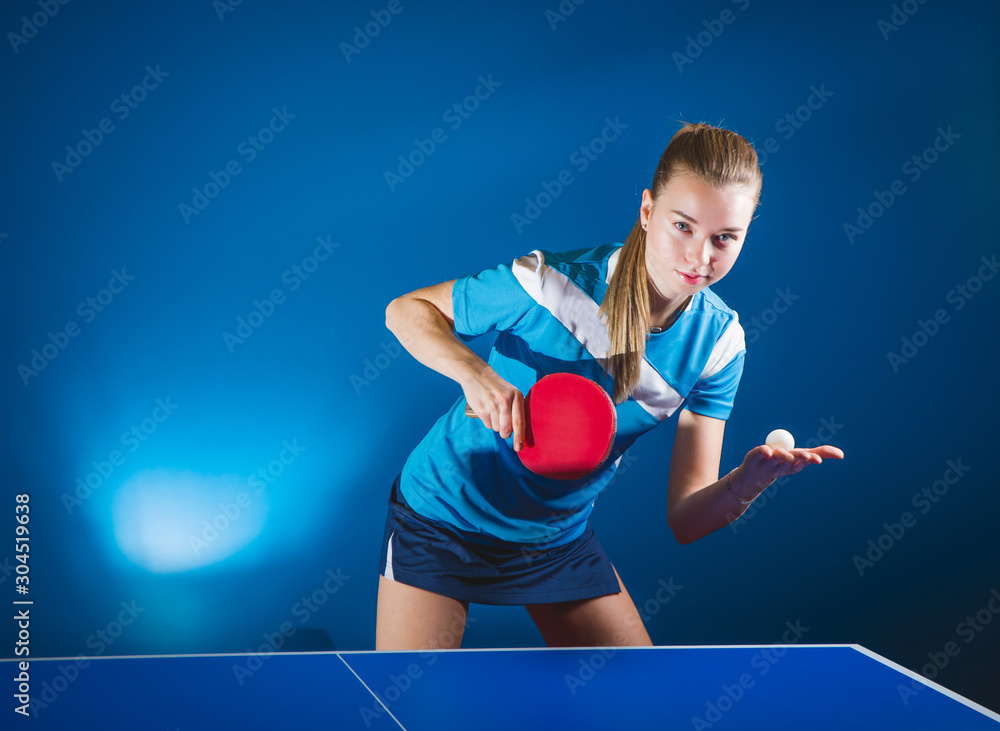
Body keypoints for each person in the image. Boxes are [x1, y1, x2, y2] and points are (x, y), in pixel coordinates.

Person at [376, 121, 843, 651]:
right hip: (444, 518)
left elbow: (686, 520)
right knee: (413, 709)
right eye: (683, 226)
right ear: (647, 212)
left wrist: (749, 480)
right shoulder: (551, 284)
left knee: (638, 710)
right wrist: (475, 374)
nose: (700, 257)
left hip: (555, 540)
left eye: (724, 238)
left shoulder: (718, 345)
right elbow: (405, 311)